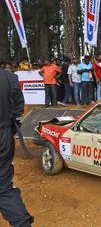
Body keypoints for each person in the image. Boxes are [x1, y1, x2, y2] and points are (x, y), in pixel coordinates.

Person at [0, 68, 33, 226]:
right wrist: (9, 129)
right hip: (3, 136)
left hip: (4, 131)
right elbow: (18, 107)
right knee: (3, 187)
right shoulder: (9, 78)